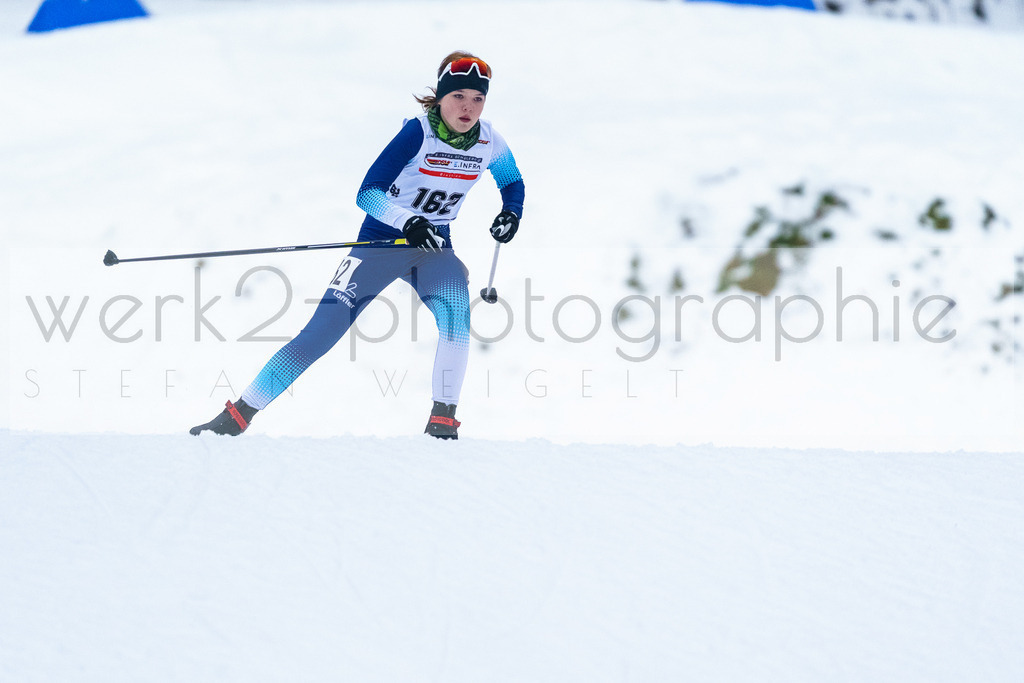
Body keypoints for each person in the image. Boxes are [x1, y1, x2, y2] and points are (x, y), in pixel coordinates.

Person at [190, 51, 525, 440]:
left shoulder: (489, 141)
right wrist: (408, 221)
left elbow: (512, 181)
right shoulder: (417, 133)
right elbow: (368, 193)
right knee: (320, 334)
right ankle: (237, 416)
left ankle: (443, 422)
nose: (468, 108)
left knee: (456, 320)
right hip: (381, 243)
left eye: (478, 99)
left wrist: (511, 212)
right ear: (440, 97)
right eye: (459, 96)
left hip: (434, 249)